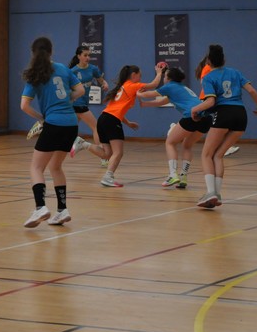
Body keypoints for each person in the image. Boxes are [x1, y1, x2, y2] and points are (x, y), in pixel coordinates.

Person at [21, 37, 84, 227]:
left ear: (33, 52)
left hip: (53, 123)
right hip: (71, 124)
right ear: (51, 51)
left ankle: (40, 207)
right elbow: (80, 90)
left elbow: (24, 105)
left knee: (36, 167)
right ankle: (62, 210)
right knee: (55, 167)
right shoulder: (63, 69)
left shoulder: (35, 74)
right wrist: (67, 100)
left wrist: (41, 118)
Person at [190, 44, 257, 208]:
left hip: (224, 113)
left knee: (206, 154)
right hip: (241, 115)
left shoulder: (208, 77)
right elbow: (252, 91)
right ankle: (217, 194)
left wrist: (195, 109)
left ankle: (211, 192)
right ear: (224, 59)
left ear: (208, 61)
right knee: (218, 155)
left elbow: (210, 101)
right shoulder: (235, 72)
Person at [71, 62, 166, 187]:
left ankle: (83, 144)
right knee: (118, 152)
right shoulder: (132, 85)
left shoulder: (122, 87)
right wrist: (159, 73)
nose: (141, 78)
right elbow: (154, 85)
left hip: (104, 119)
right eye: (140, 75)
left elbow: (116, 110)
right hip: (111, 121)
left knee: (107, 154)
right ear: (133, 75)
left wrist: (128, 123)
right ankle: (108, 177)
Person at [138, 67, 210, 189]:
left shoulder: (170, 86)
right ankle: (183, 177)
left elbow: (149, 94)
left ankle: (173, 175)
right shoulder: (182, 87)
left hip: (191, 116)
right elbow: (162, 102)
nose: (164, 78)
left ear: (169, 78)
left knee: (170, 142)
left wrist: (137, 92)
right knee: (187, 145)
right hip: (205, 118)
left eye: (165, 76)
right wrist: (145, 104)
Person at [69, 45, 109, 164]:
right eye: (85, 55)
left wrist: (105, 84)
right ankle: (102, 155)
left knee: (69, 128)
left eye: (89, 55)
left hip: (83, 103)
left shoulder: (93, 69)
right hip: (77, 103)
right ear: (79, 56)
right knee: (96, 127)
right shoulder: (73, 71)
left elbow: (101, 80)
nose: (88, 57)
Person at [197, 56, 240, 157]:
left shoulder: (213, 69)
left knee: (216, 123)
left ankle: (225, 147)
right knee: (207, 122)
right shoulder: (208, 68)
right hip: (207, 98)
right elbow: (204, 82)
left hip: (212, 98)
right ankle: (175, 128)